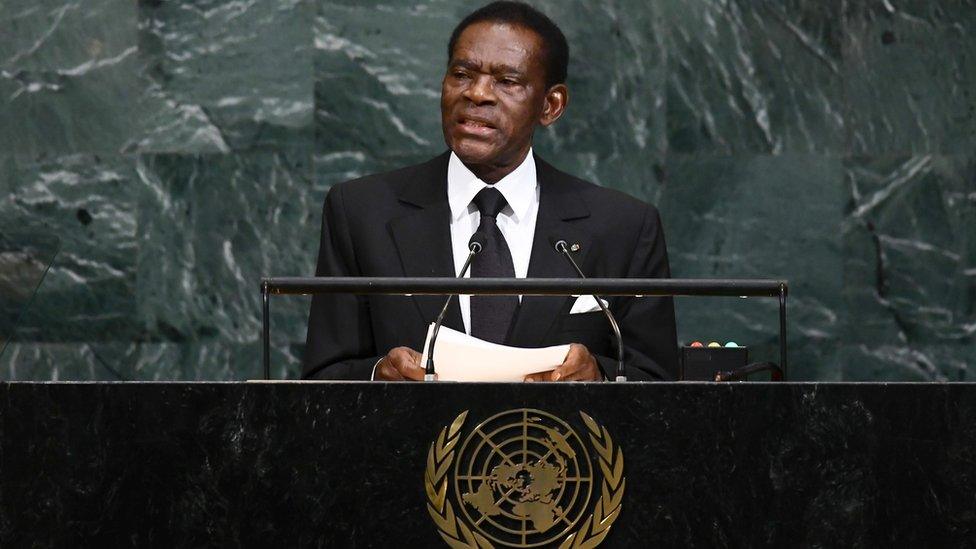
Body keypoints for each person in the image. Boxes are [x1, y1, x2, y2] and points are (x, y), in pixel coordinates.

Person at [303, 1, 677, 381]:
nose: (477, 93)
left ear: (551, 105)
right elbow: (321, 377)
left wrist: (598, 374)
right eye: (462, 74)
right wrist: (378, 374)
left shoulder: (623, 227)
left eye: (507, 81)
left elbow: (660, 382)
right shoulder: (361, 212)